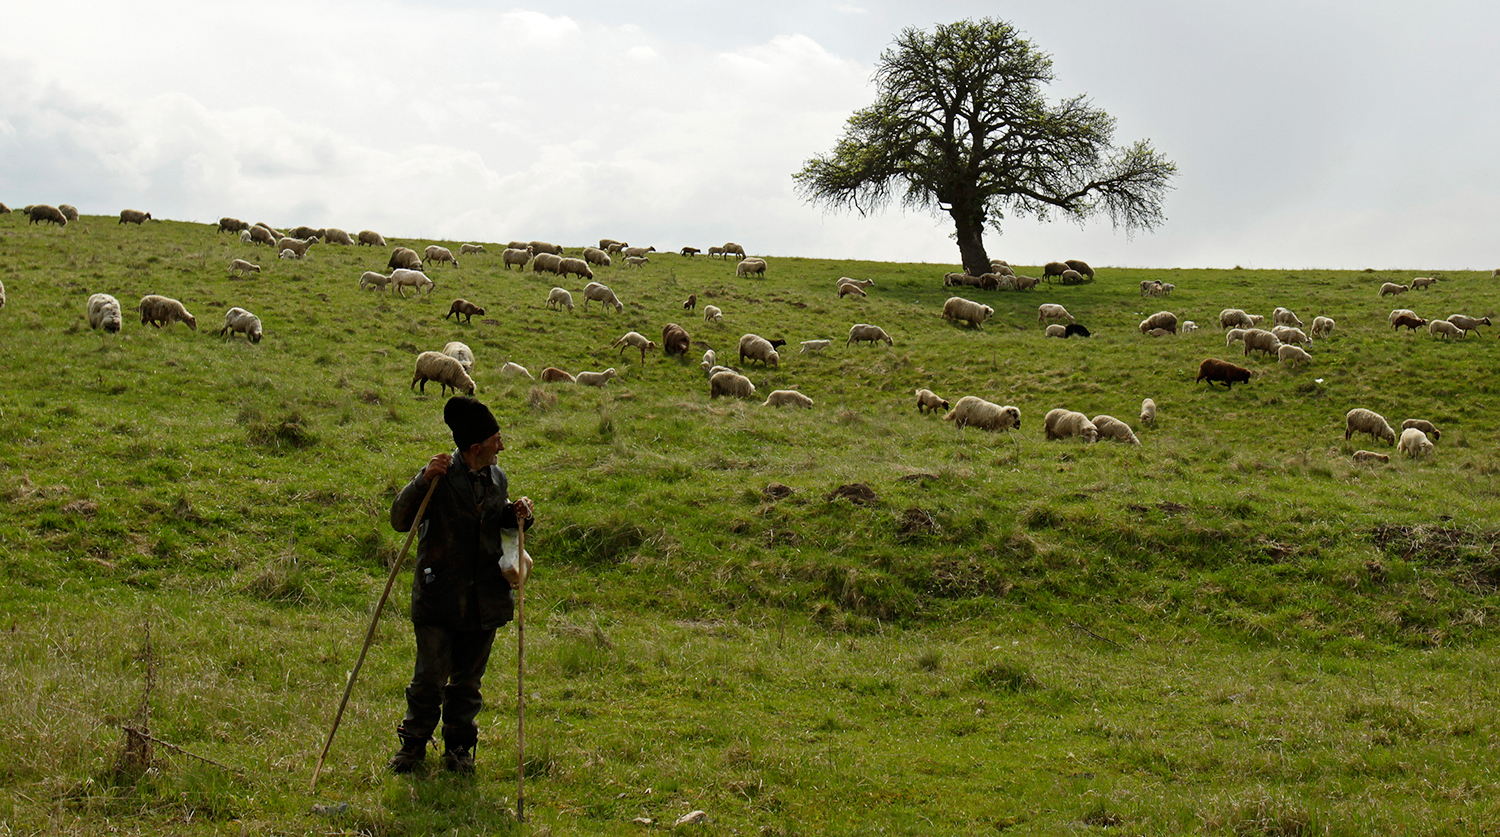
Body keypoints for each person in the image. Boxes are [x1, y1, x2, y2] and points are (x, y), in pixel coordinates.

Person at [388, 396, 534, 774]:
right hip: (440, 594)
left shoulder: (497, 478)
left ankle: (458, 750)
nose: (501, 446)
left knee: (467, 683)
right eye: (496, 439)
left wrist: (515, 515)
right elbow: (400, 520)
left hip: (484, 597)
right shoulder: (437, 478)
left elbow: (491, 526)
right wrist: (421, 480)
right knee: (429, 680)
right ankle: (412, 748)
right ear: (475, 448)